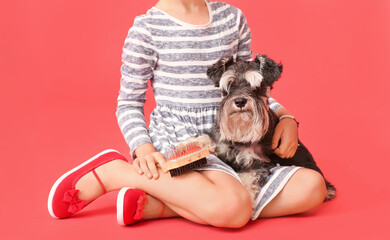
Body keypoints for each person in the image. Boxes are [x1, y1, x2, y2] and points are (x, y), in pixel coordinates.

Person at [48, 0, 327, 228]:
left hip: (233, 140)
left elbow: (247, 87)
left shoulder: (232, 18)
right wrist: (143, 150)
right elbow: (128, 102)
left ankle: (162, 206)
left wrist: (286, 116)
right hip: (184, 141)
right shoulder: (147, 29)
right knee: (234, 209)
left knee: (314, 187)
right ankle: (117, 173)